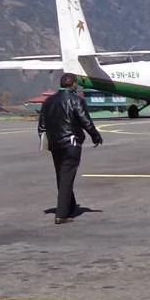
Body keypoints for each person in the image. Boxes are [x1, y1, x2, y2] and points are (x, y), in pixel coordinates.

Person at [38, 74, 102, 224]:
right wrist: (96, 136)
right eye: (76, 83)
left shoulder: (48, 101)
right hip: (71, 143)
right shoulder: (76, 100)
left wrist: (46, 141)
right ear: (72, 84)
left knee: (62, 175)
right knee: (66, 177)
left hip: (55, 144)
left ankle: (70, 206)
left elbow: (41, 126)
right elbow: (85, 121)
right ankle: (61, 214)